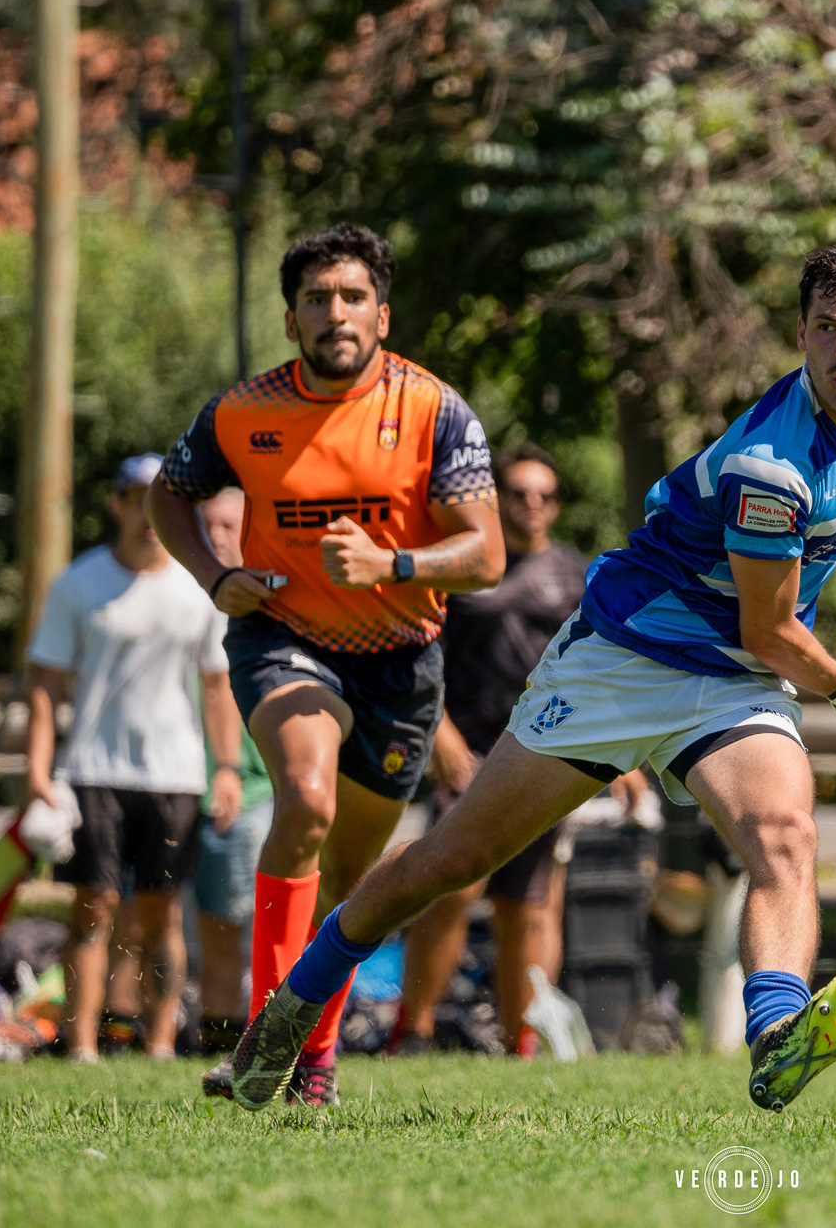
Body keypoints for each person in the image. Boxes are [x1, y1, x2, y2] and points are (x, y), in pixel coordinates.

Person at [228, 245, 836, 1114]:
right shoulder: (774, 468)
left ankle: (775, 1034)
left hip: (732, 681)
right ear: (799, 334)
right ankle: (295, 1002)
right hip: (624, 660)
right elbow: (767, 627)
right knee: (455, 857)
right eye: (826, 329)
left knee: (785, 835)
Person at [146, 223, 505, 1105]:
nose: (334, 313)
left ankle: (312, 1057)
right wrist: (216, 574)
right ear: (289, 318)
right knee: (304, 797)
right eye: (316, 299)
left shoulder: (433, 409)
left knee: (352, 878)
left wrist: (396, 566)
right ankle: (268, 1031)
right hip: (286, 639)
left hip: (403, 663)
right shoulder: (243, 411)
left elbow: (486, 553)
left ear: (382, 315)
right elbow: (169, 491)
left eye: (351, 298)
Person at [392, 442, 647, 1056]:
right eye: (519, 493)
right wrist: (441, 737)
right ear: (497, 500)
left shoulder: (576, 575)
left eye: (545, 494)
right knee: (452, 888)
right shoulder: (462, 566)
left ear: (556, 506)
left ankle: (521, 1043)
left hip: (541, 756)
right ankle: (413, 1030)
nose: (533, 504)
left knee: (528, 906)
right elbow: (418, 661)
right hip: (468, 755)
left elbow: (605, 668)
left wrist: (624, 755)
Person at [26, 453, 243, 1062]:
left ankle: (160, 1043)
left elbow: (216, 685)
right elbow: (45, 683)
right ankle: (83, 1043)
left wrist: (225, 767)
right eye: (137, 498)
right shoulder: (80, 583)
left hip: (173, 774)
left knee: (162, 913)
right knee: (93, 908)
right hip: (93, 769)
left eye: (161, 501)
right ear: (117, 504)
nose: (149, 515)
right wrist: (38, 769)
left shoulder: (197, 587)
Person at [194, 487, 279, 1054]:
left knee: (248, 927)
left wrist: (229, 769)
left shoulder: (273, 599)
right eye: (207, 525)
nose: (217, 535)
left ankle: (258, 1041)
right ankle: (210, 1037)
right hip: (179, 783)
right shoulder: (182, 595)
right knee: (204, 926)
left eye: (230, 525)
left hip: (252, 789)